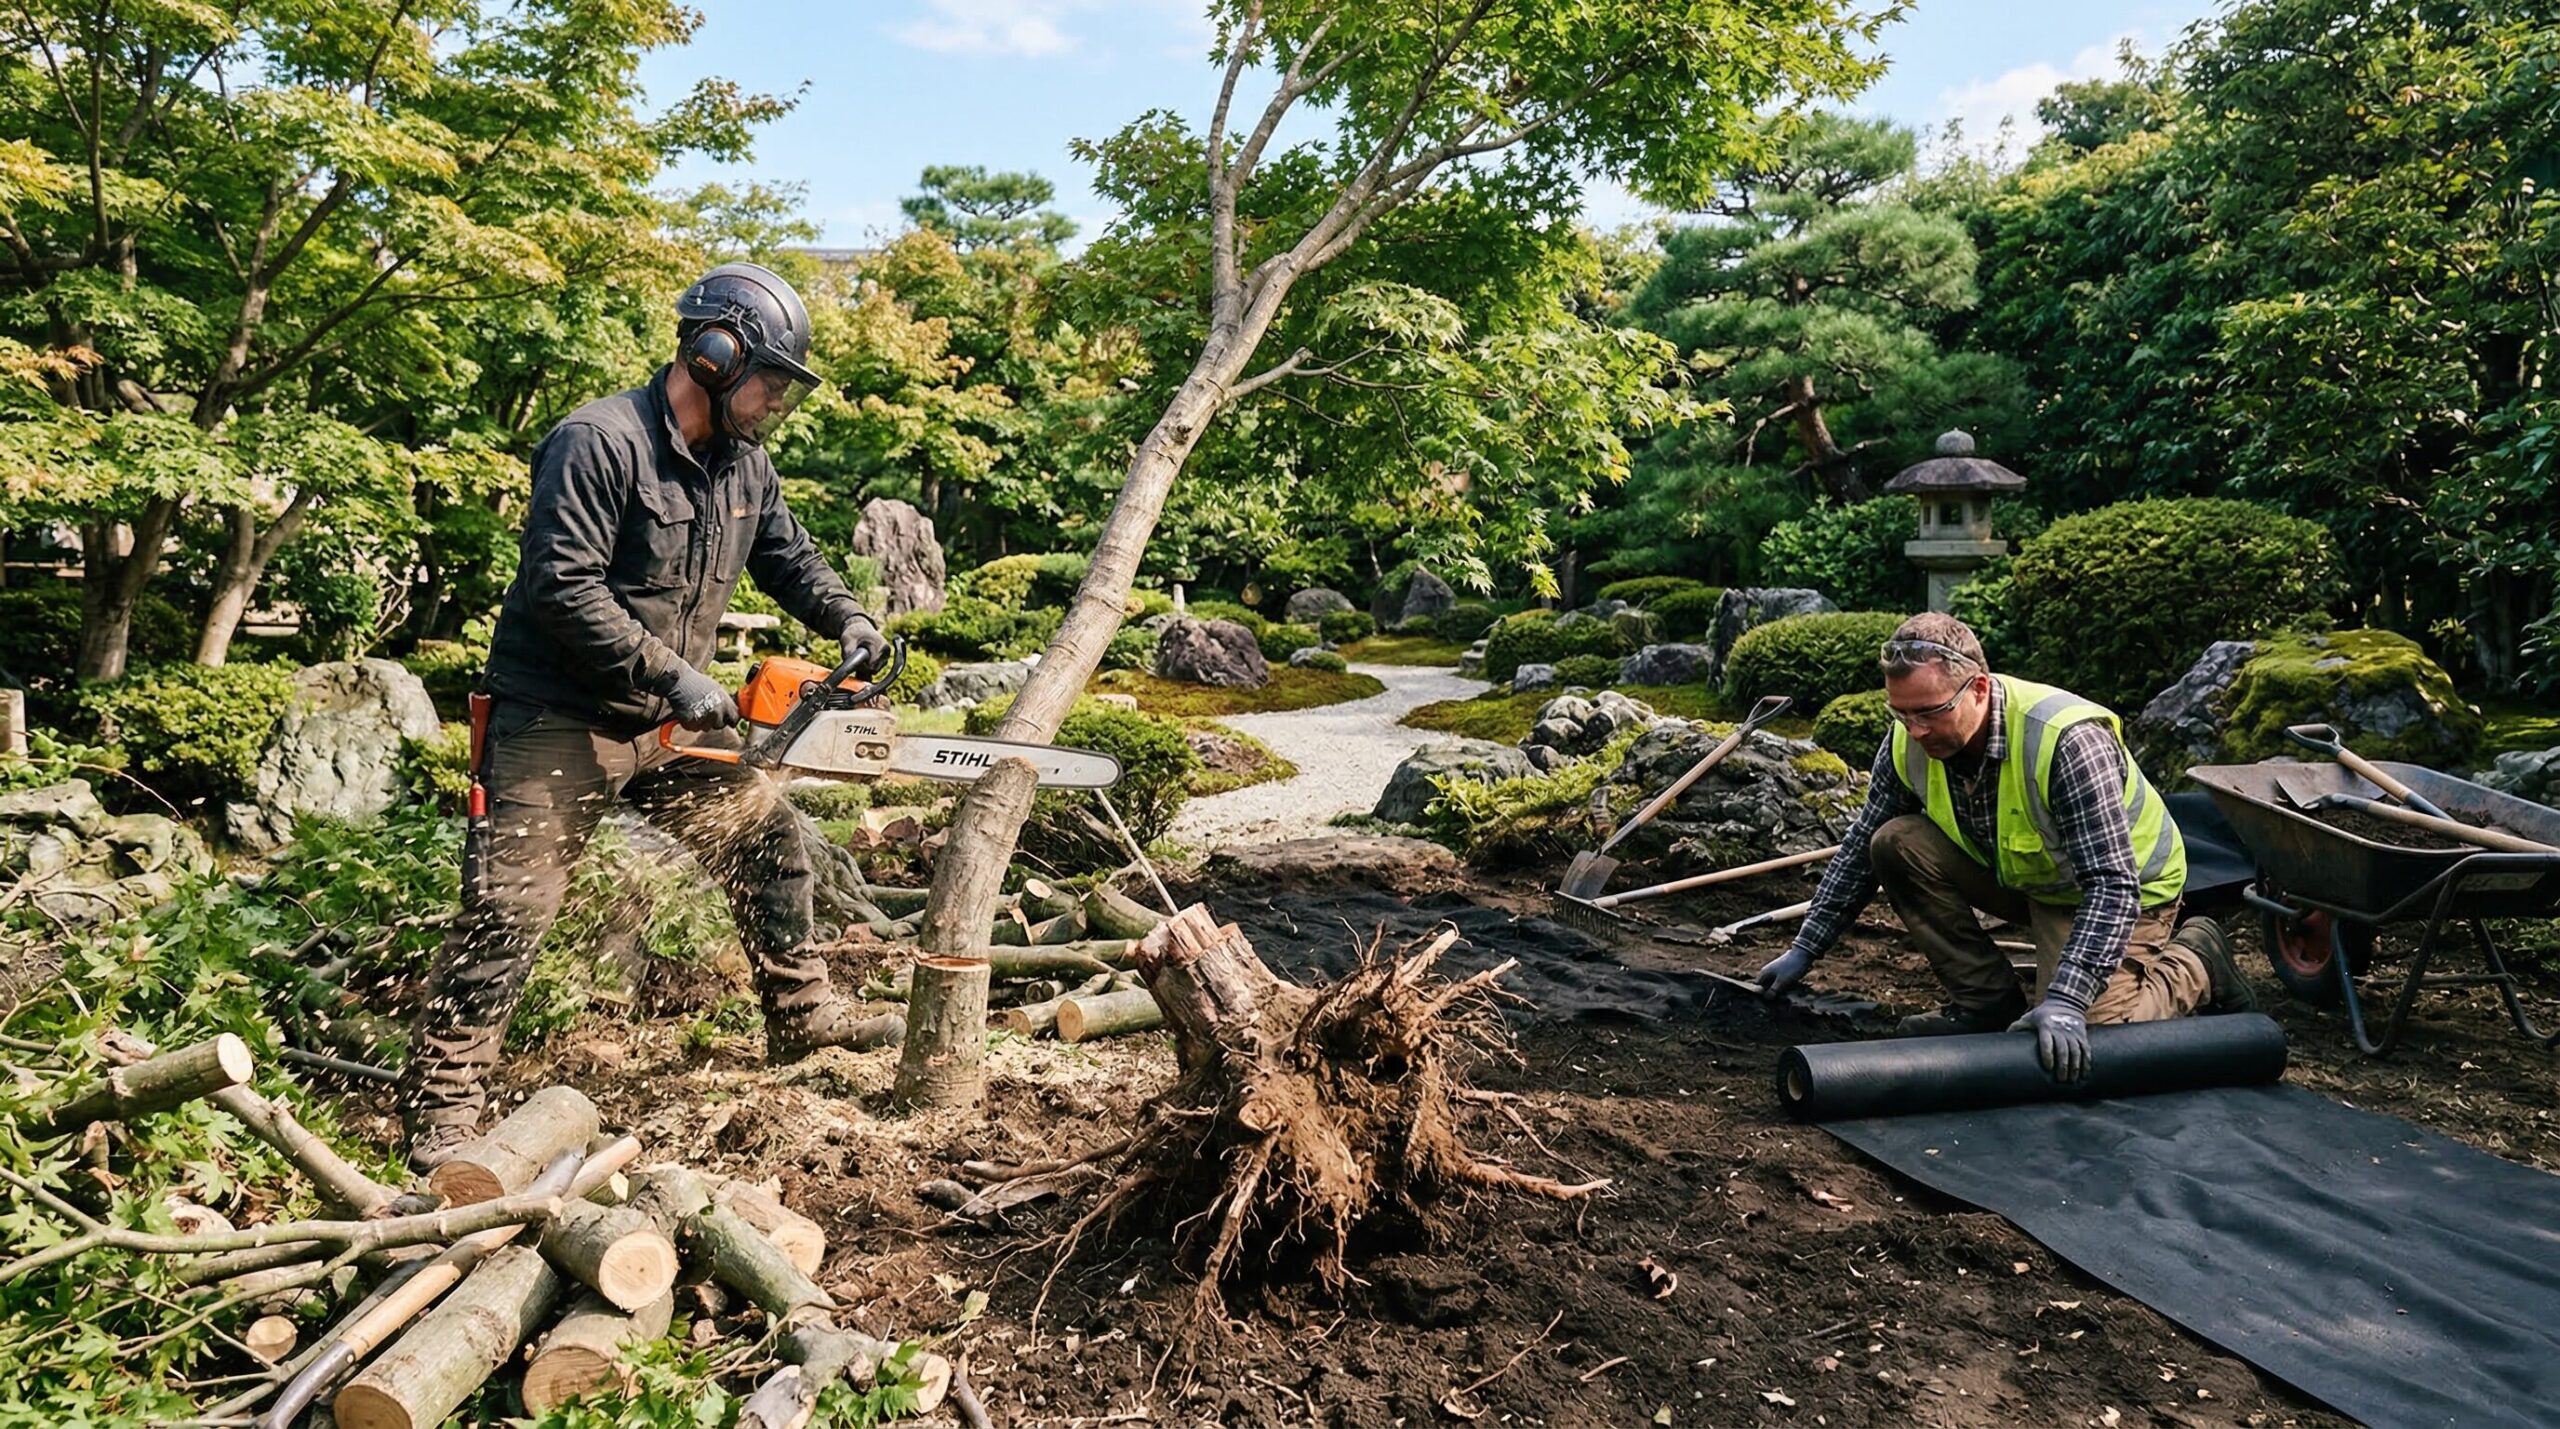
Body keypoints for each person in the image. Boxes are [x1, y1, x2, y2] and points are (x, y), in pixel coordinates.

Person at [399, 262, 897, 1171]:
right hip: (559, 715)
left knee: (769, 841)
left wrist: (850, 617)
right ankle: (444, 1109)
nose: (777, 401)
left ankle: (803, 1017)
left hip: (669, 718)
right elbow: (562, 585)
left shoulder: (745, 465)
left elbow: (787, 558)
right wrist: (673, 674)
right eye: (771, 380)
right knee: (511, 908)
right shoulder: (599, 441)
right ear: (714, 354)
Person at [1753, 613, 2252, 1083]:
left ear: (1980, 689)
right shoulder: (1908, 738)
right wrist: (1805, 947)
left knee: (2093, 1039)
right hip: (2024, 874)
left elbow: (2112, 884)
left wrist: (2068, 998)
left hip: (2117, 892)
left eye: (1929, 712)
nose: (1915, 730)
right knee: (1893, 842)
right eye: (1900, 713)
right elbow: (1863, 842)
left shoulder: (2065, 741)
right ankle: (1986, 1003)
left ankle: (2197, 959)